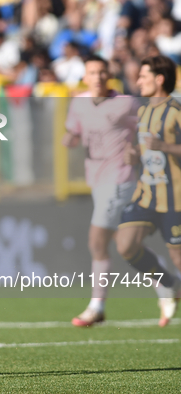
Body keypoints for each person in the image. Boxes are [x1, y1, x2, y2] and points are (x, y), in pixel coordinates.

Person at [63, 55, 141, 326]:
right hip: (96, 180)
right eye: (92, 72)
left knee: (97, 240)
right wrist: (69, 138)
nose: (97, 77)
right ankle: (168, 286)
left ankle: (96, 306)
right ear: (85, 77)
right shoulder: (79, 103)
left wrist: (138, 150)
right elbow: (73, 132)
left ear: (109, 75)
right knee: (125, 246)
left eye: (102, 72)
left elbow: (148, 131)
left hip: (119, 178)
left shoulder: (126, 103)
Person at [117, 55, 181, 327]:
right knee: (126, 244)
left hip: (175, 196)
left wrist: (165, 147)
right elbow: (142, 149)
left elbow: (163, 147)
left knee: (177, 256)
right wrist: (133, 155)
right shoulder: (143, 111)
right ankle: (168, 284)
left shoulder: (176, 111)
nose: (138, 81)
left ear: (159, 79)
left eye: (143, 76)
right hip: (146, 193)